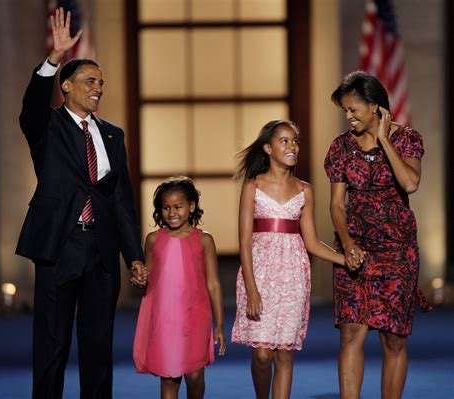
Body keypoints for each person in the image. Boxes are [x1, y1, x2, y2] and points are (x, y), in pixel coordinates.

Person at [16, 8, 146, 399]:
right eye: (90, 80)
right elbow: (31, 106)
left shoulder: (113, 135)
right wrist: (54, 58)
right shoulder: (47, 126)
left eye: (101, 83)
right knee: (53, 347)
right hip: (60, 247)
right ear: (67, 86)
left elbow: (122, 201)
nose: (98, 88)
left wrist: (134, 256)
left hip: (101, 253)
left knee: (98, 349)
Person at [324, 71, 433, 399]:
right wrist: (348, 242)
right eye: (344, 110)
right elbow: (336, 205)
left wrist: (385, 139)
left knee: (393, 338)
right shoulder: (341, 148)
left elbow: (410, 183)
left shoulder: (407, 139)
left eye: (353, 108)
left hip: (397, 253)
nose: (348, 116)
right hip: (354, 251)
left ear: (375, 106)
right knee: (350, 334)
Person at [231, 120, 346, 399]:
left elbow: (312, 242)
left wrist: (345, 260)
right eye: (284, 141)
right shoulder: (253, 186)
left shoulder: (305, 190)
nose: (292, 146)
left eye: (295, 141)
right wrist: (252, 288)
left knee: (284, 353)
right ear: (268, 148)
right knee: (261, 355)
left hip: (293, 274)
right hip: (258, 273)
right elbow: (244, 242)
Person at [133, 176, 226, 399]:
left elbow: (213, 284)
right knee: (169, 380)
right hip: (165, 320)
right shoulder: (154, 240)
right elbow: (148, 281)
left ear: (191, 206)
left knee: (195, 377)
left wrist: (220, 324)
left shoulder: (204, 240)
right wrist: (139, 279)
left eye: (178, 207)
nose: (171, 213)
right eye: (165, 208)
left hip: (195, 316)